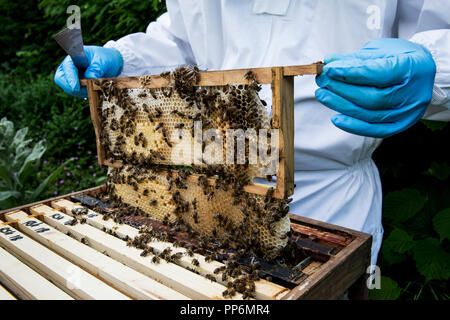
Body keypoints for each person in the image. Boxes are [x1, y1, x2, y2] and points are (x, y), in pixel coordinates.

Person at [54, 0, 450, 267]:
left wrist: (437, 66)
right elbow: (181, 39)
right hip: (215, 189)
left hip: (332, 197)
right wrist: (127, 58)